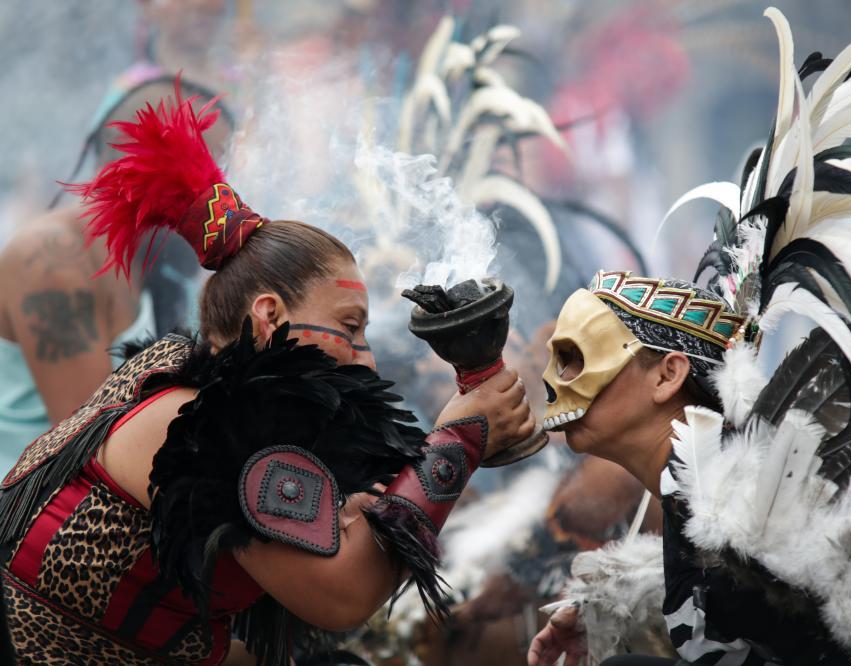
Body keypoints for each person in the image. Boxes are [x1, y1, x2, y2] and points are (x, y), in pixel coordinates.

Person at [0, 83, 535, 665]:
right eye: (350, 327)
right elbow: (345, 596)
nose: (365, 357)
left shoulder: (205, 392)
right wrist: (460, 437)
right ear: (270, 316)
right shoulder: (213, 420)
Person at [529, 5, 851, 665]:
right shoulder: (697, 491)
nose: (551, 383)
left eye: (574, 358)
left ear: (667, 374)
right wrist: (618, 604)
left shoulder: (761, 499)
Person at [0, 76, 234, 473]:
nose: (220, 192)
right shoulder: (51, 260)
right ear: (143, 164)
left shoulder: (158, 256)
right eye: (207, 169)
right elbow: (87, 458)